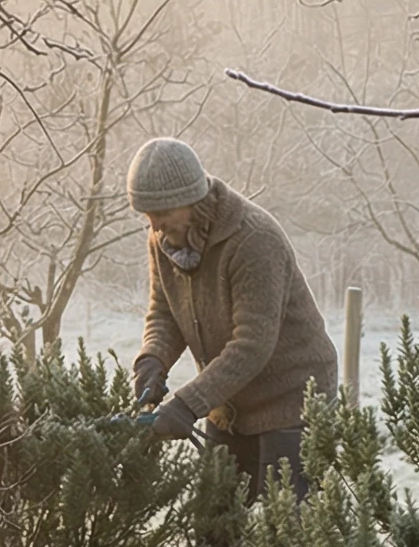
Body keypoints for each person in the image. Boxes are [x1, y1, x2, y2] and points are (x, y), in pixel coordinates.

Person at [126, 137, 338, 499]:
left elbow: (252, 345)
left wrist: (185, 405)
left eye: (162, 212)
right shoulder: (164, 239)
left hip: (292, 401)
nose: (155, 224)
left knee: (288, 533)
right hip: (228, 402)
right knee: (215, 529)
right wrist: (152, 360)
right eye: (147, 214)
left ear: (191, 198)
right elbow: (165, 312)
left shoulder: (253, 239)